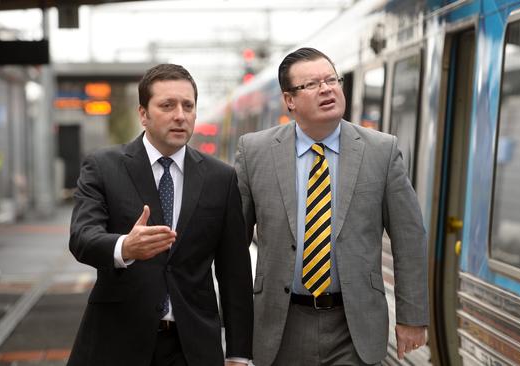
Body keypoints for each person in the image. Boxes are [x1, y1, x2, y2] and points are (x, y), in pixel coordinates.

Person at [235, 47, 428, 366]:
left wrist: (412, 315)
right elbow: (233, 244)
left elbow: (409, 237)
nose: (326, 88)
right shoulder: (255, 152)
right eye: (311, 84)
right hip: (280, 323)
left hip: (353, 326)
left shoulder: (381, 151)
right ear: (289, 100)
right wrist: (231, 318)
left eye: (331, 80)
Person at [68, 64, 253, 366]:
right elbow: (82, 238)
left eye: (188, 106)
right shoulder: (103, 167)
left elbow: (234, 273)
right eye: (167, 105)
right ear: (143, 114)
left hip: (192, 348)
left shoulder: (221, 178)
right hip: (116, 342)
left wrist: (239, 353)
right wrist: (124, 247)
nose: (180, 115)